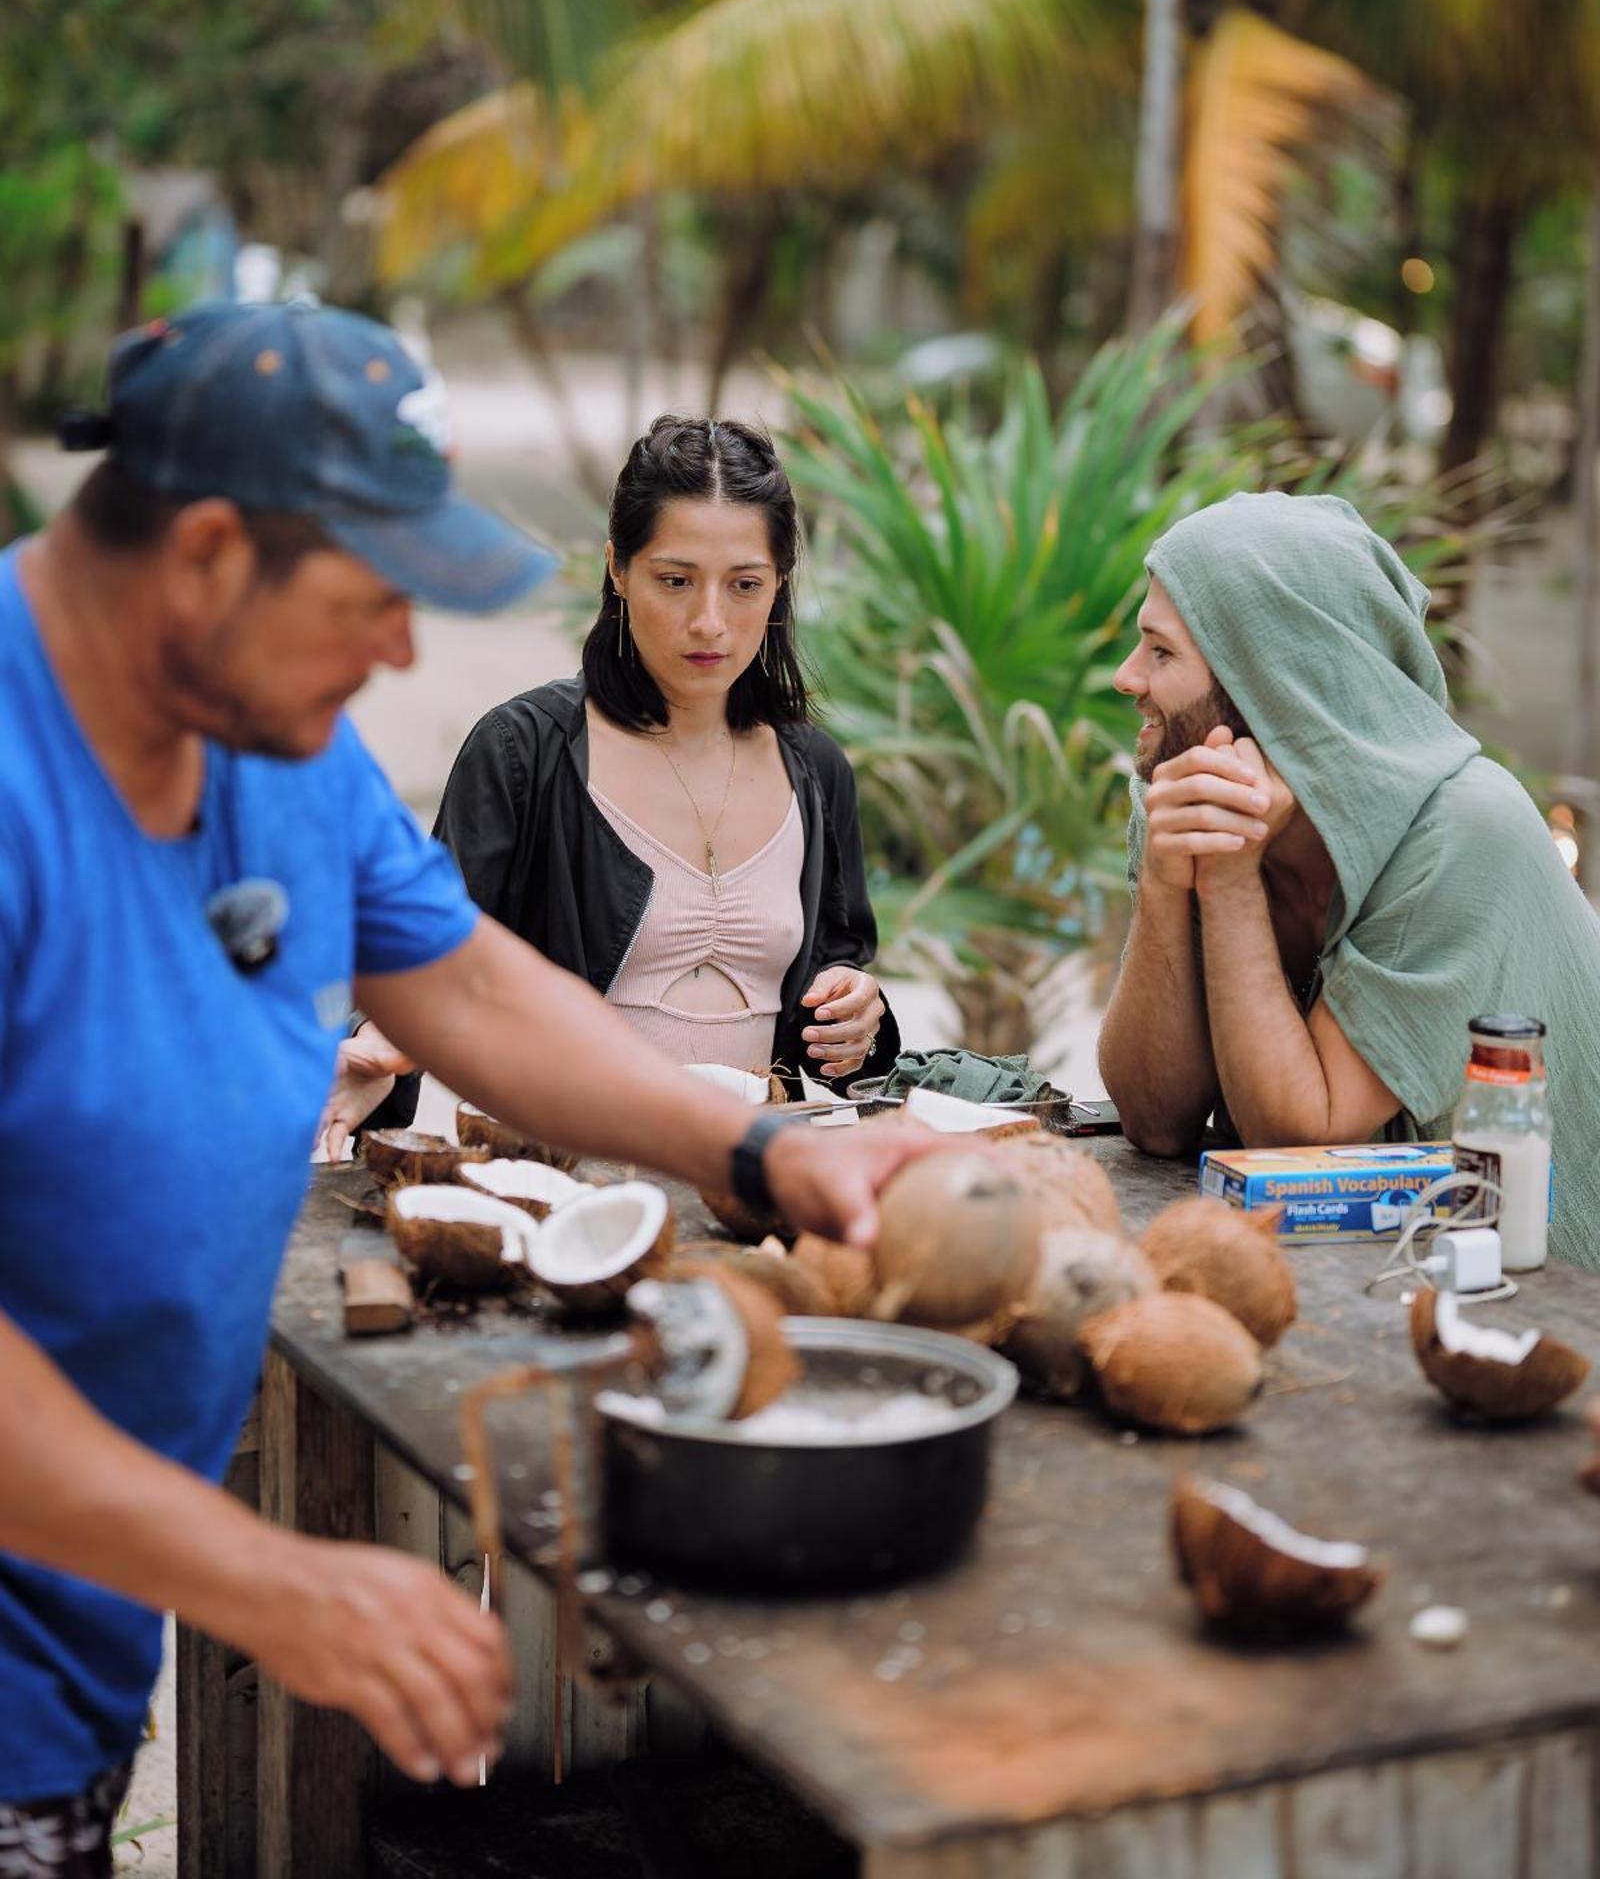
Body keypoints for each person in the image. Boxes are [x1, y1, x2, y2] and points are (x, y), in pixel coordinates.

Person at [0, 303, 936, 1869]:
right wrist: (262, 1578)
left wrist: (758, 1146)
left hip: (65, 1665)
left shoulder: (272, 745)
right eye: (373, 599)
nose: (402, 653)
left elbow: (477, 986)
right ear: (213, 554)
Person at [322, 415, 897, 1156]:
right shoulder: (524, 752)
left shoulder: (815, 770)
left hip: (758, 1173)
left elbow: (837, 970)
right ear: (618, 571)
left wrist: (858, 1015)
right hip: (564, 1170)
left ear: (779, 585)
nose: (709, 622)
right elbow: (430, 960)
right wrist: (376, 1050)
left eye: (744, 585)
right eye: (675, 581)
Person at [1097, 491, 1600, 1263]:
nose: (1127, 677)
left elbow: (1303, 1138)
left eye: (1161, 652)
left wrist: (1228, 887)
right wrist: (1168, 885)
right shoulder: (1185, 796)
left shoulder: (1461, 831)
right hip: (1369, 1271)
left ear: (1270, 682)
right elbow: (1157, 1121)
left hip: (1545, 1297)